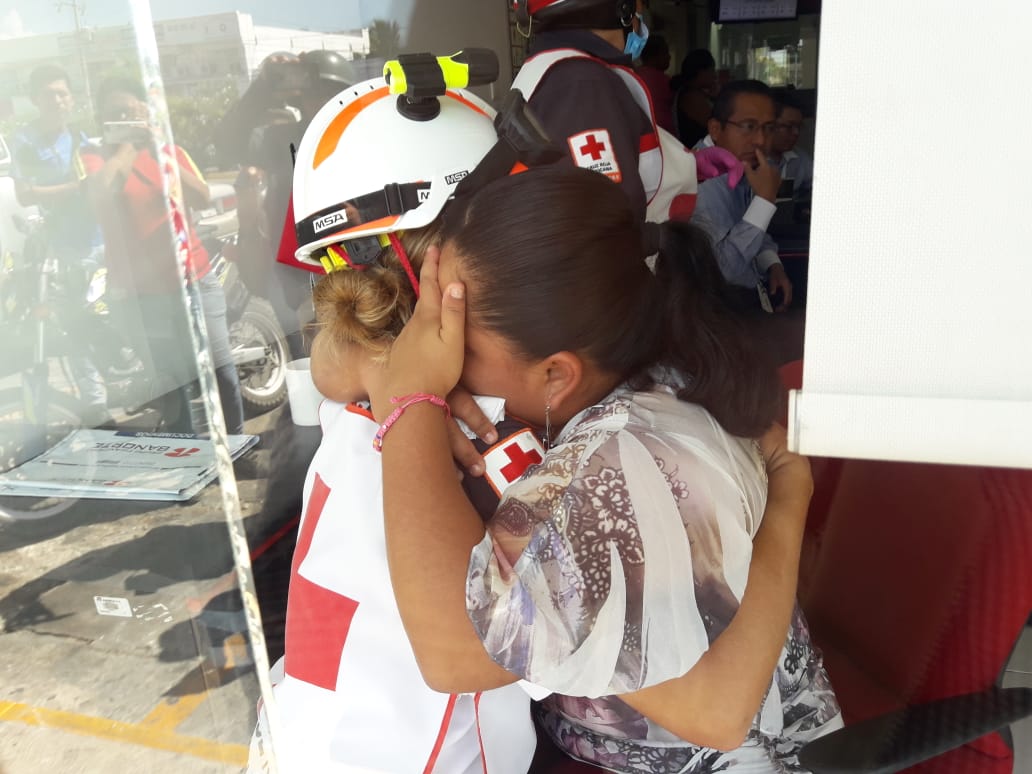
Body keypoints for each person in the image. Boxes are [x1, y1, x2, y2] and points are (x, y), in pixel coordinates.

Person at [371, 165, 842, 773]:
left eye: (460, 342)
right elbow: (338, 348)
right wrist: (380, 361)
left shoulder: (627, 461)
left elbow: (453, 650)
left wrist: (409, 398)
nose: (442, 354)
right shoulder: (639, 347)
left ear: (557, 374)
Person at [246, 70, 546, 774]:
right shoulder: (491, 437)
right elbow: (547, 651)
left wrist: (395, 383)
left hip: (302, 738)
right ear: (441, 278)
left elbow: (337, 352)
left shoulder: (363, 380)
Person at [82, 77, 244, 435]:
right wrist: (128, 146)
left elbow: (202, 197)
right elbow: (98, 195)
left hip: (194, 278)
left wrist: (160, 151)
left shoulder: (170, 151)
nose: (125, 118)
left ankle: (236, 445)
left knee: (221, 370)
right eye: (116, 113)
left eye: (131, 111)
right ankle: (188, 454)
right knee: (171, 384)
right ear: (101, 118)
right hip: (142, 295)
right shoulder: (94, 156)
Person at [511, 0, 741, 226]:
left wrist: (690, 164)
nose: (641, 14)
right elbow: (608, 223)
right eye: (638, 4)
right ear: (620, 8)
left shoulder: (558, 69)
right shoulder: (584, 83)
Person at [10, 64, 108, 424]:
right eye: (50, 94)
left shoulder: (82, 139)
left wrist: (76, 189)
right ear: (35, 99)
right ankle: (96, 403)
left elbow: (97, 186)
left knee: (112, 318)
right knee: (74, 325)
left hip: (103, 241)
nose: (58, 100)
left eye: (63, 93)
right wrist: (74, 189)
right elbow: (25, 193)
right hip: (66, 250)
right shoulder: (25, 141)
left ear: (72, 99)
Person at [691, 80, 795, 318]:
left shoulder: (742, 164)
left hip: (747, 298)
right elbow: (723, 272)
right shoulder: (698, 180)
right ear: (715, 129)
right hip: (715, 313)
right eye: (748, 126)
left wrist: (772, 264)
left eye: (768, 128)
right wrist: (765, 201)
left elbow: (750, 225)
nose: (760, 140)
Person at [769, 88, 814, 200]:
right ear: (769, 125)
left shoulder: (800, 159)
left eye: (798, 127)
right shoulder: (750, 160)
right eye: (789, 126)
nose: (796, 133)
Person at [671, 49, 719, 148]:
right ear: (701, 72)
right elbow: (718, 127)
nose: (715, 75)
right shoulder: (691, 97)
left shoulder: (690, 93)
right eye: (712, 70)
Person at [634, 33, 674, 134]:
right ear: (654, 56)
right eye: (665, 53)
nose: (669, 57)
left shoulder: (634, 75)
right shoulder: (663, 81)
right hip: (662, 135)